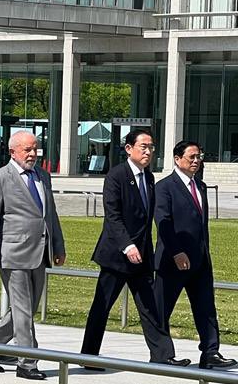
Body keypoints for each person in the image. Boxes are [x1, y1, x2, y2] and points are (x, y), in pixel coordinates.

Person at [81, 128, 188, 368]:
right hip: (117, 256)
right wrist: (127, 245)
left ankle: (163, 355)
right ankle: (88, 356)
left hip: (141, 257)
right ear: (129, 149)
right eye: (144, 147)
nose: (148, 151)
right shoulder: (116, 175)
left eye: (151, 147)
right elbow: (113, 216)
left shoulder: (149, 178)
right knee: (102, 306)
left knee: (150, 307)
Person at [0, 131, 65, 380]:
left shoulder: (42, 176)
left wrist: (58, 246)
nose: (32, 154)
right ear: (12, 152)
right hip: (13, 253)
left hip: (40, 252)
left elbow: (50, 215)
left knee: (25, 309)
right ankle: (27, 362)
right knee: (23, 311)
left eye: (35, 149)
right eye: (26, 149)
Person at [154, 140, 236, 370]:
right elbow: (163, 222)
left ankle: (210, 352)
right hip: (172, 260)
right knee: (161, 309)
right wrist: (176, 252)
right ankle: (162, 354)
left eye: (198, 157)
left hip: (200, 260)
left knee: (206, 308)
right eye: (191, 157)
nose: (196, 161)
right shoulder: (164, 187)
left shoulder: (200, 186)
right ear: (177, 159)